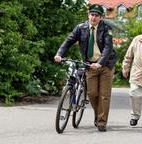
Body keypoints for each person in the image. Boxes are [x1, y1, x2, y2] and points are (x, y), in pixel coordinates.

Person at [54, 4, 117, 132]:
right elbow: (69, 41)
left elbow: (108, 48)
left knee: (104, 95)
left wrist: (100, 62)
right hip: (90, 65)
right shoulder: (80, 28)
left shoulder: (106, 28)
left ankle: (101, 122)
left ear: (101, 17)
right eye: (92, 14)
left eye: (97, 15)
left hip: (106, 65)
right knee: (92, 94)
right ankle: (97, 116)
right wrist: (59, 54)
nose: (93, 17)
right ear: (88, 15)